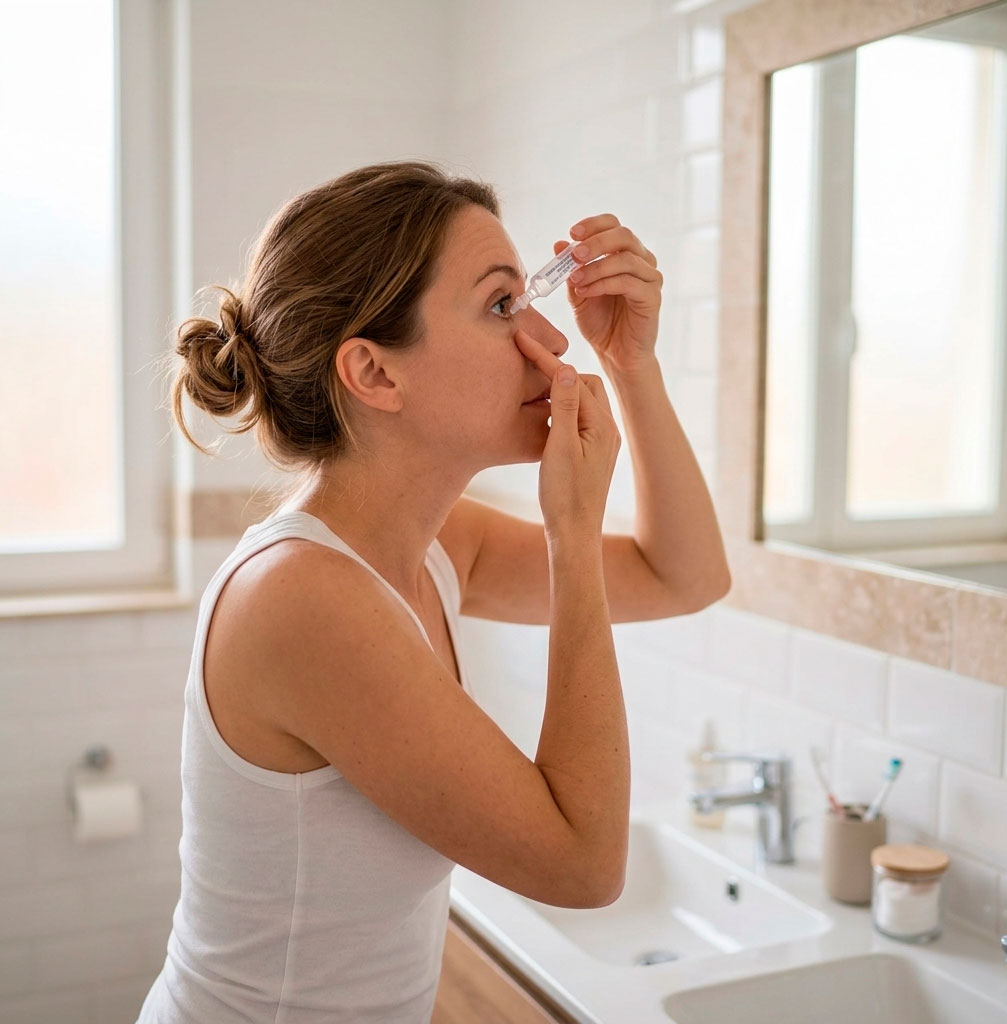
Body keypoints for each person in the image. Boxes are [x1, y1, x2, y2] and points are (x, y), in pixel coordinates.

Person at [137, 160, 731, 1023]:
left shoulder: (435, 544)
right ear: (375, 374)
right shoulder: (301, 598)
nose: (551, 342)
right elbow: (585, 866)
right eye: (501, 306)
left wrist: (630, 364)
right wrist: (570, 534)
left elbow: (686, 577)